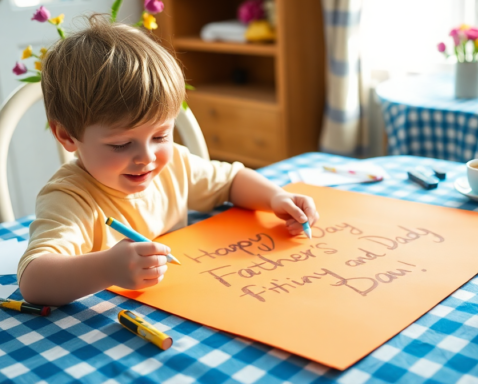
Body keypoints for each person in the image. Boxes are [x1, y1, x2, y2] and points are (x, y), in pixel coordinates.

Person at [17, 16, 319, 306]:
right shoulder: (70, 198)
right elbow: (33, 279)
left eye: (161, 136)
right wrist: (107, 268)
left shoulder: (174, 165)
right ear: (67, 136)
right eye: (121, 144)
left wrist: (277, 198)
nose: (147, 157)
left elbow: (231, 181)